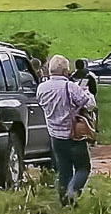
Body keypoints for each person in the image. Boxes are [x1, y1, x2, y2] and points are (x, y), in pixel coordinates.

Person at [37, 55, 97, 206]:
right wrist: (87, 92)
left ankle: (65, 204)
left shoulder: (41, 88)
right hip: (73, 135)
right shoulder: (70, 87)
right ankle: (73, 191)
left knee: (64, 171)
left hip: (55, 136)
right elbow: (90, 104)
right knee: (83, 167)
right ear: (65, 71)